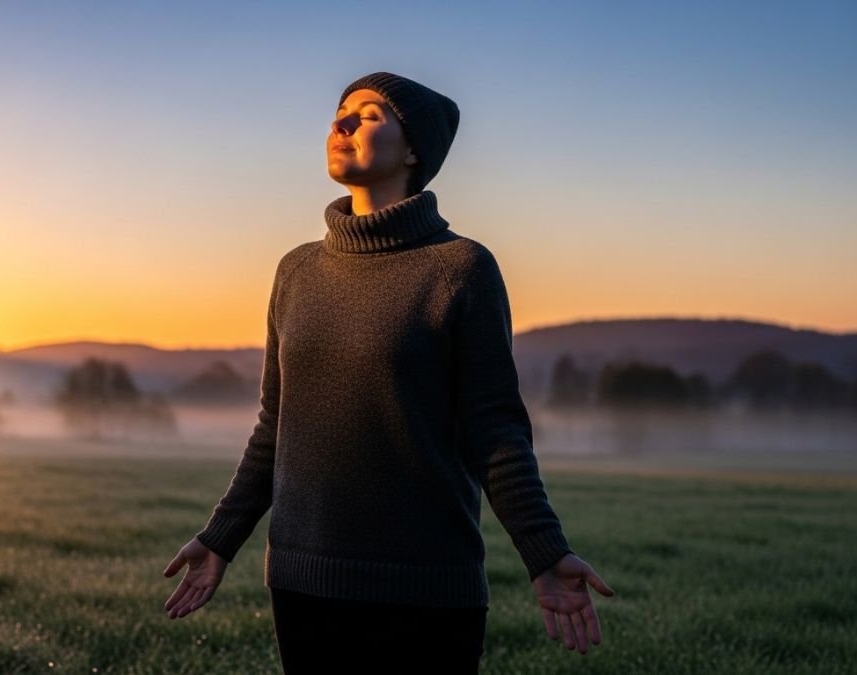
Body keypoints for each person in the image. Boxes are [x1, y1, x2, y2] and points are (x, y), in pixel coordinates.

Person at [163, 71, 615, 673]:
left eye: (369, 114)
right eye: (340, 110)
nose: (341, 122)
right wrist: (221, 536)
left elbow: (495, 429)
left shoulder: (460, 269)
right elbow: (277, 425)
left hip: (426, 592)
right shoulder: (296, 272)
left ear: (412, 150)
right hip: (304, 585)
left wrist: (543, 550)